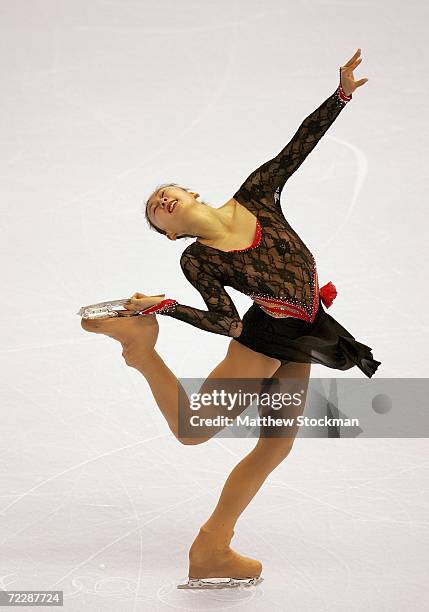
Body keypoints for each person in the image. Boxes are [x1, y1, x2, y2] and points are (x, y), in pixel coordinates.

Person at [80, 49, 380, 589]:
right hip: (264, 337)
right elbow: (225, 320)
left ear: (190, 191)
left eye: (164, 194)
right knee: (195, 430)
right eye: (155, 212)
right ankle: (141, 349)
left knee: (276, 444)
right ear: (171, 233)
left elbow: (299, 145)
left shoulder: (257, 195)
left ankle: (213, 547)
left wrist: (340, 94)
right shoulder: (197, 259)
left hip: (305, 333)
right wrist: (167, 308)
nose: (160, 202)